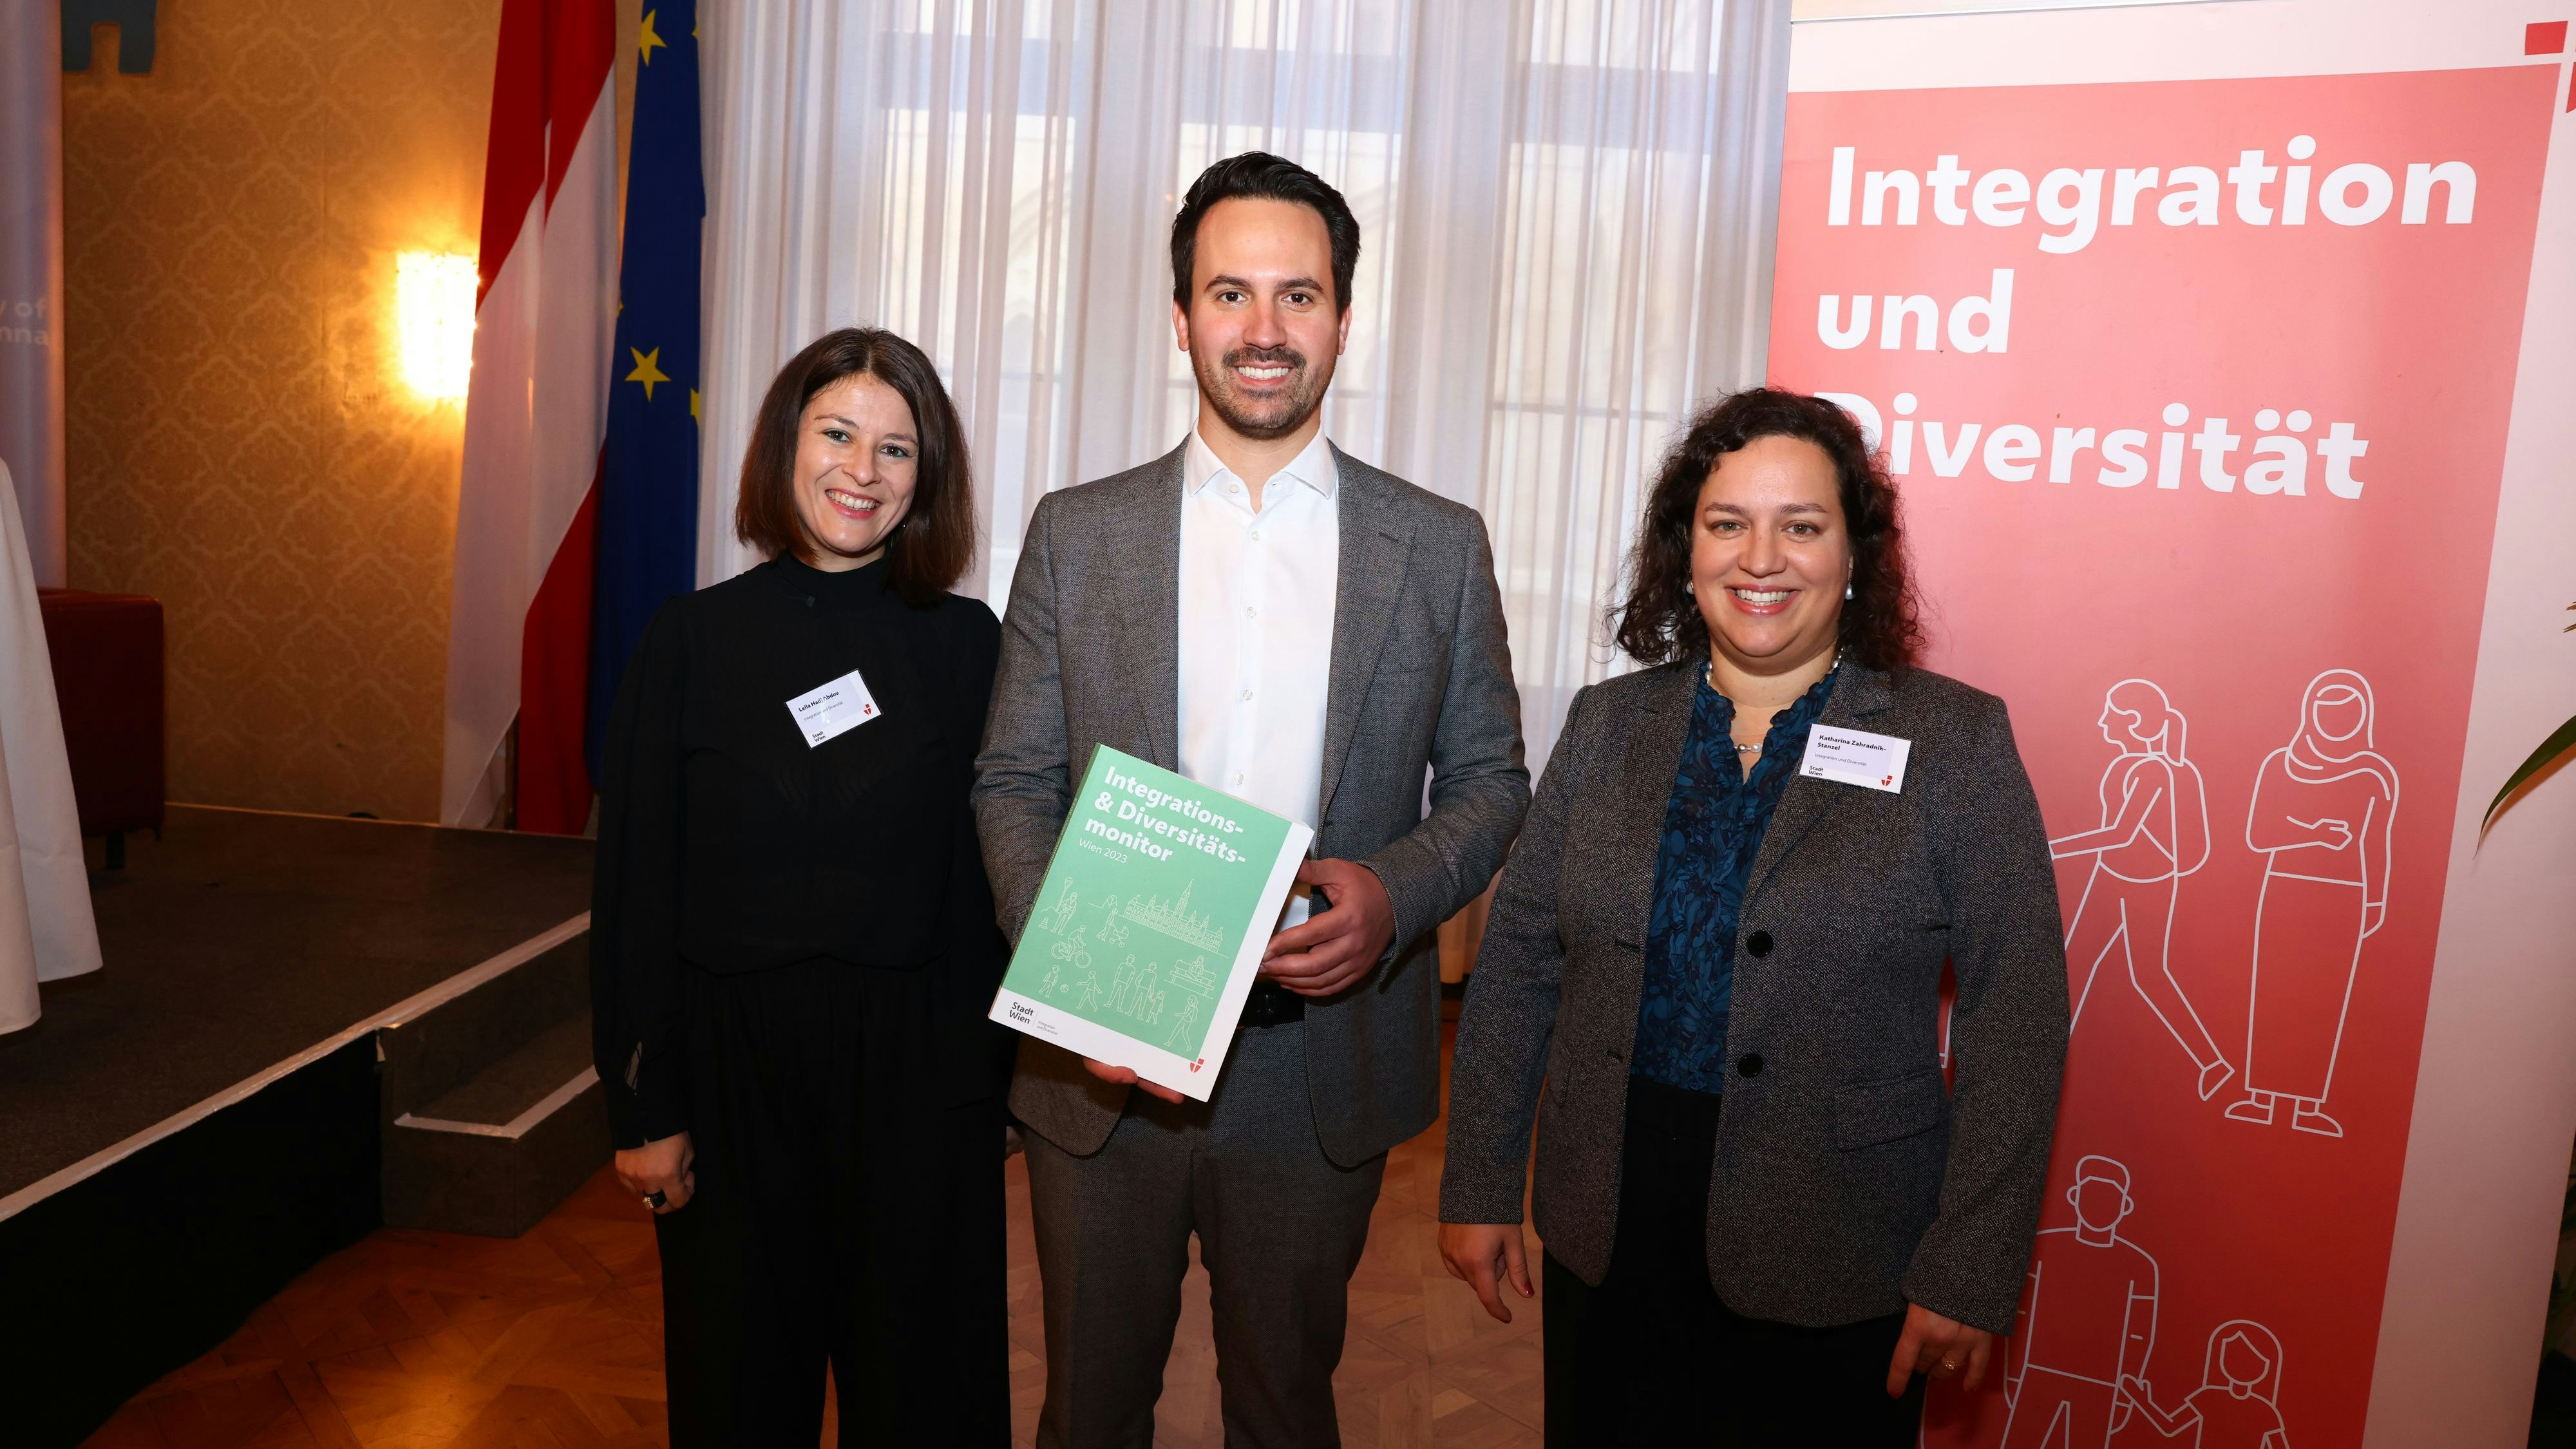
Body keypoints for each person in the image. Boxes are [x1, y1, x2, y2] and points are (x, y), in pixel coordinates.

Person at [973, 151, 1529, 1448]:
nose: (1263, 330)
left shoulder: (1436, 546)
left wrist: (1394, 893)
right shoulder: (1076, 531)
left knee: (1285, 1411)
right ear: (1180, 319)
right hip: (1103, 1074)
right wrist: (1071, 975)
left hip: (1315, 1066)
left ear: (1342, 316)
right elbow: (1011, 780)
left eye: (1297, 295)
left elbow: (1494, 783)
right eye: (1229, 293)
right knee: (1087, 1413)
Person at [1436, 388, 2070, 1444]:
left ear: (1854, 552)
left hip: (1841, 1238)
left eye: (1802, 527)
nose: (1760, 558)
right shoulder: (1607, 725)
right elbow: (1516, 970)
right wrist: (1482, 1182)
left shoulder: (1954, 744)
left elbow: (2019, 1014)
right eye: (1728, 523)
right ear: (1687, 549)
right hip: (1615, 1216)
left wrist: (1969, 1262)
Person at [591, 328, 1012, 1445]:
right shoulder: (690, 641)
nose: (861, 472)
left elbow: (1006, 867)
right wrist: (647, 1104)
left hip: (922, 1082)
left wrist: (1004, 1080)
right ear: (787, 442)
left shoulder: (971, 647)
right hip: (735, 1084)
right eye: (837, 433)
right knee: (739, 1396)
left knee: (928, 1397)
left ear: (929, 482)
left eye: (897, 450)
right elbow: (637, 889)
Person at [2228, 668, 2396, 1139]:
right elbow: (2259, 834)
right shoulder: (2281, 763)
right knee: (2275, 990)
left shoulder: (2374, 773)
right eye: (2327, 710)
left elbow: (2376, 841)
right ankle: (2260, 1096)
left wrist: (2377, 901)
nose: (2336, 720)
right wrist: (2314, 834)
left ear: (2362, 715)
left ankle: (2307, 1106)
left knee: (2324, 999)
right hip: (2285, 886)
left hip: (2346, 896)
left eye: (2347, 711)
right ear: (2311, 712)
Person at [2050, 678, 2233, 1099]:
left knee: (2149, 976)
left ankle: (2214, 1064)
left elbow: (2123, 834)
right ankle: (2046, 1057)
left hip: (2145, 883)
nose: (2102, 721)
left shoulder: (2152, 769)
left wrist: (2051, 848)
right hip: (2112, 874)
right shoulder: (2124, 765)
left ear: (2132, 722)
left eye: (2111, 713)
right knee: (2073, 963)